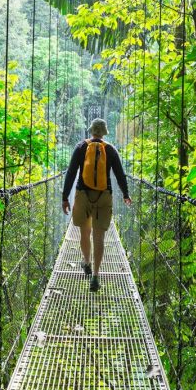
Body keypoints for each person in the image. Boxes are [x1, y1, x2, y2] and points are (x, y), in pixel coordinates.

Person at [62, 118, 132, 291]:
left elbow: (71, 173)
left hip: (83, 195)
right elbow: (120, 175)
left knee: (84, 232)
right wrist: (125, 194)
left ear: (91, 131)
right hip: (104, 195)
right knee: (99, 236)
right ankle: (95, 276)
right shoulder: (110, 150)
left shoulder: (80, 147)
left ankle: (86, 262)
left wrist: (65, 197)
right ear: (104, 132)